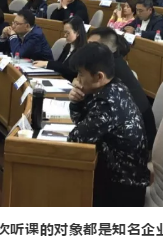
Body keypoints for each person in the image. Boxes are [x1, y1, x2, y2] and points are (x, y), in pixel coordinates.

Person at [67, 43, 150, 207]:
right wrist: (77, 102)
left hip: (121, 191)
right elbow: (82, 123)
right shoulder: (115, 85)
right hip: (116, 176)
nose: (77, 79)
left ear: (99, 77)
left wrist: (78, 106)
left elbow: (75, 139)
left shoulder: (107, 103)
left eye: (81, 74)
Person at [87, 27, 157, 150]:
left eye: (92, 46)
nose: (86, 50)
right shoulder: (113, 62)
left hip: (136, 145)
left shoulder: (111, 71)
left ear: (105, 49)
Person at [33, 16, 87, 81]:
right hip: (59, 78)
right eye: (64, 32)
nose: (65, 35)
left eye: (68, 33)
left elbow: (71, 71)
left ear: (77, 33)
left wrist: (47, 64)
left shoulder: (83, 51)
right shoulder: (68, 46)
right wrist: (45, 63)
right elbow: (60, 64)